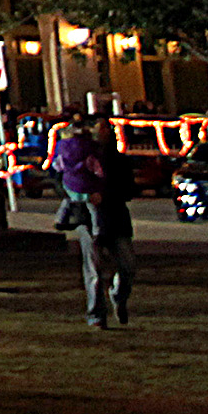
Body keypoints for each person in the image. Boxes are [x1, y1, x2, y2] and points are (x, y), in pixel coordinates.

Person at [77, 123, 136, 328]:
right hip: (89, 220)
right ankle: (96, 315)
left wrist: (108, 195)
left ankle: (118, 296)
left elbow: (129, 189)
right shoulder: (80, 159)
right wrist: (85, 197)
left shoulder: (119, 160)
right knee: (94, 272)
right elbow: (65, 183)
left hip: (116, 219)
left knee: (127, 266)